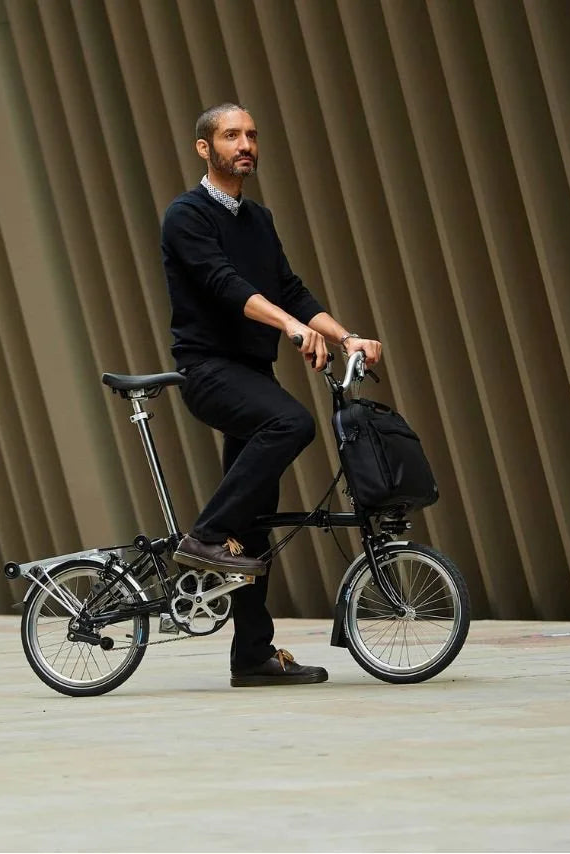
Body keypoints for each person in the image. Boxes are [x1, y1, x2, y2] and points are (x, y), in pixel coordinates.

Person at [162, 103, 383, 687]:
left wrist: (345, 335)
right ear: (204, 148)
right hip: (209, 370)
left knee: (254, 523)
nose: (245, 144)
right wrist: (288, 326)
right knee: (291, 423)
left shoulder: (257, 218)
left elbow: (288, 285)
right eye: (231, 135)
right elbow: (222, 283)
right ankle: (205, 537)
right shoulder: (186, 215)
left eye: (252, 135)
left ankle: (252, 656)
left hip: (251, 374)